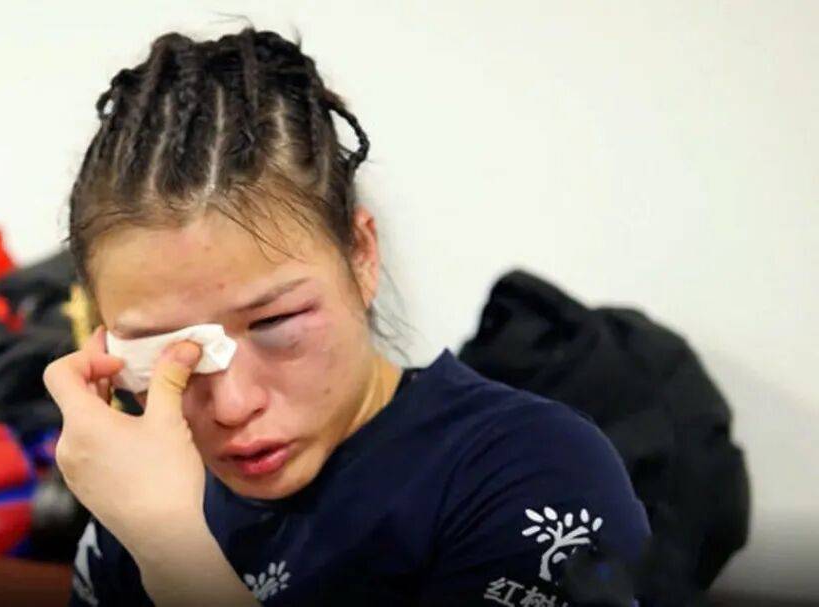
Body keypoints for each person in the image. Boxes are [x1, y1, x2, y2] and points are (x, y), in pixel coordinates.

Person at [42, 27, 651, 607]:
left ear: (361, 255)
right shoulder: (143, 500)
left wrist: (174, 553)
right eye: (166, 351)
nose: (232, 405)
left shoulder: (530, 472)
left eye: (276, 324)